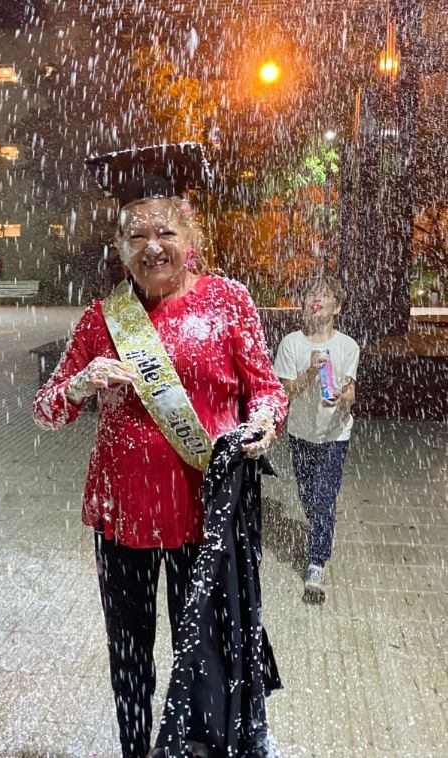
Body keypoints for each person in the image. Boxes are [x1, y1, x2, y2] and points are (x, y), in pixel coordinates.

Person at [33, 144, 288, 758]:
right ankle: (134, 744)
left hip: (202, 513)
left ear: (189, 233)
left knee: (201, 645)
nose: (152, 246)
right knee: (129, 653)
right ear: (120, 248)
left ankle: (200, 745)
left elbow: (268, 391)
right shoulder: (105, 317)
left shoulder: (228, 300)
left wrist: (260, 428)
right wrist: (81, 381)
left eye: (165, 231)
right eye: (136, 235)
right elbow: (49, 410)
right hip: (121, 515)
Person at [273, 275, 360, 603]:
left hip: (336, 434)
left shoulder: (347, 346)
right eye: (312, 293)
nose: (316, 299)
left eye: (324, 295)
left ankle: (316, 564)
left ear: (337, 306)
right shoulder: (291, 343)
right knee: (309, 497)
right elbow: (285, 392)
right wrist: (310, 372)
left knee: (324, 497)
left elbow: (351, 390)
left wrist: (343, 396)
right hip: (301, 433)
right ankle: (319, 531)